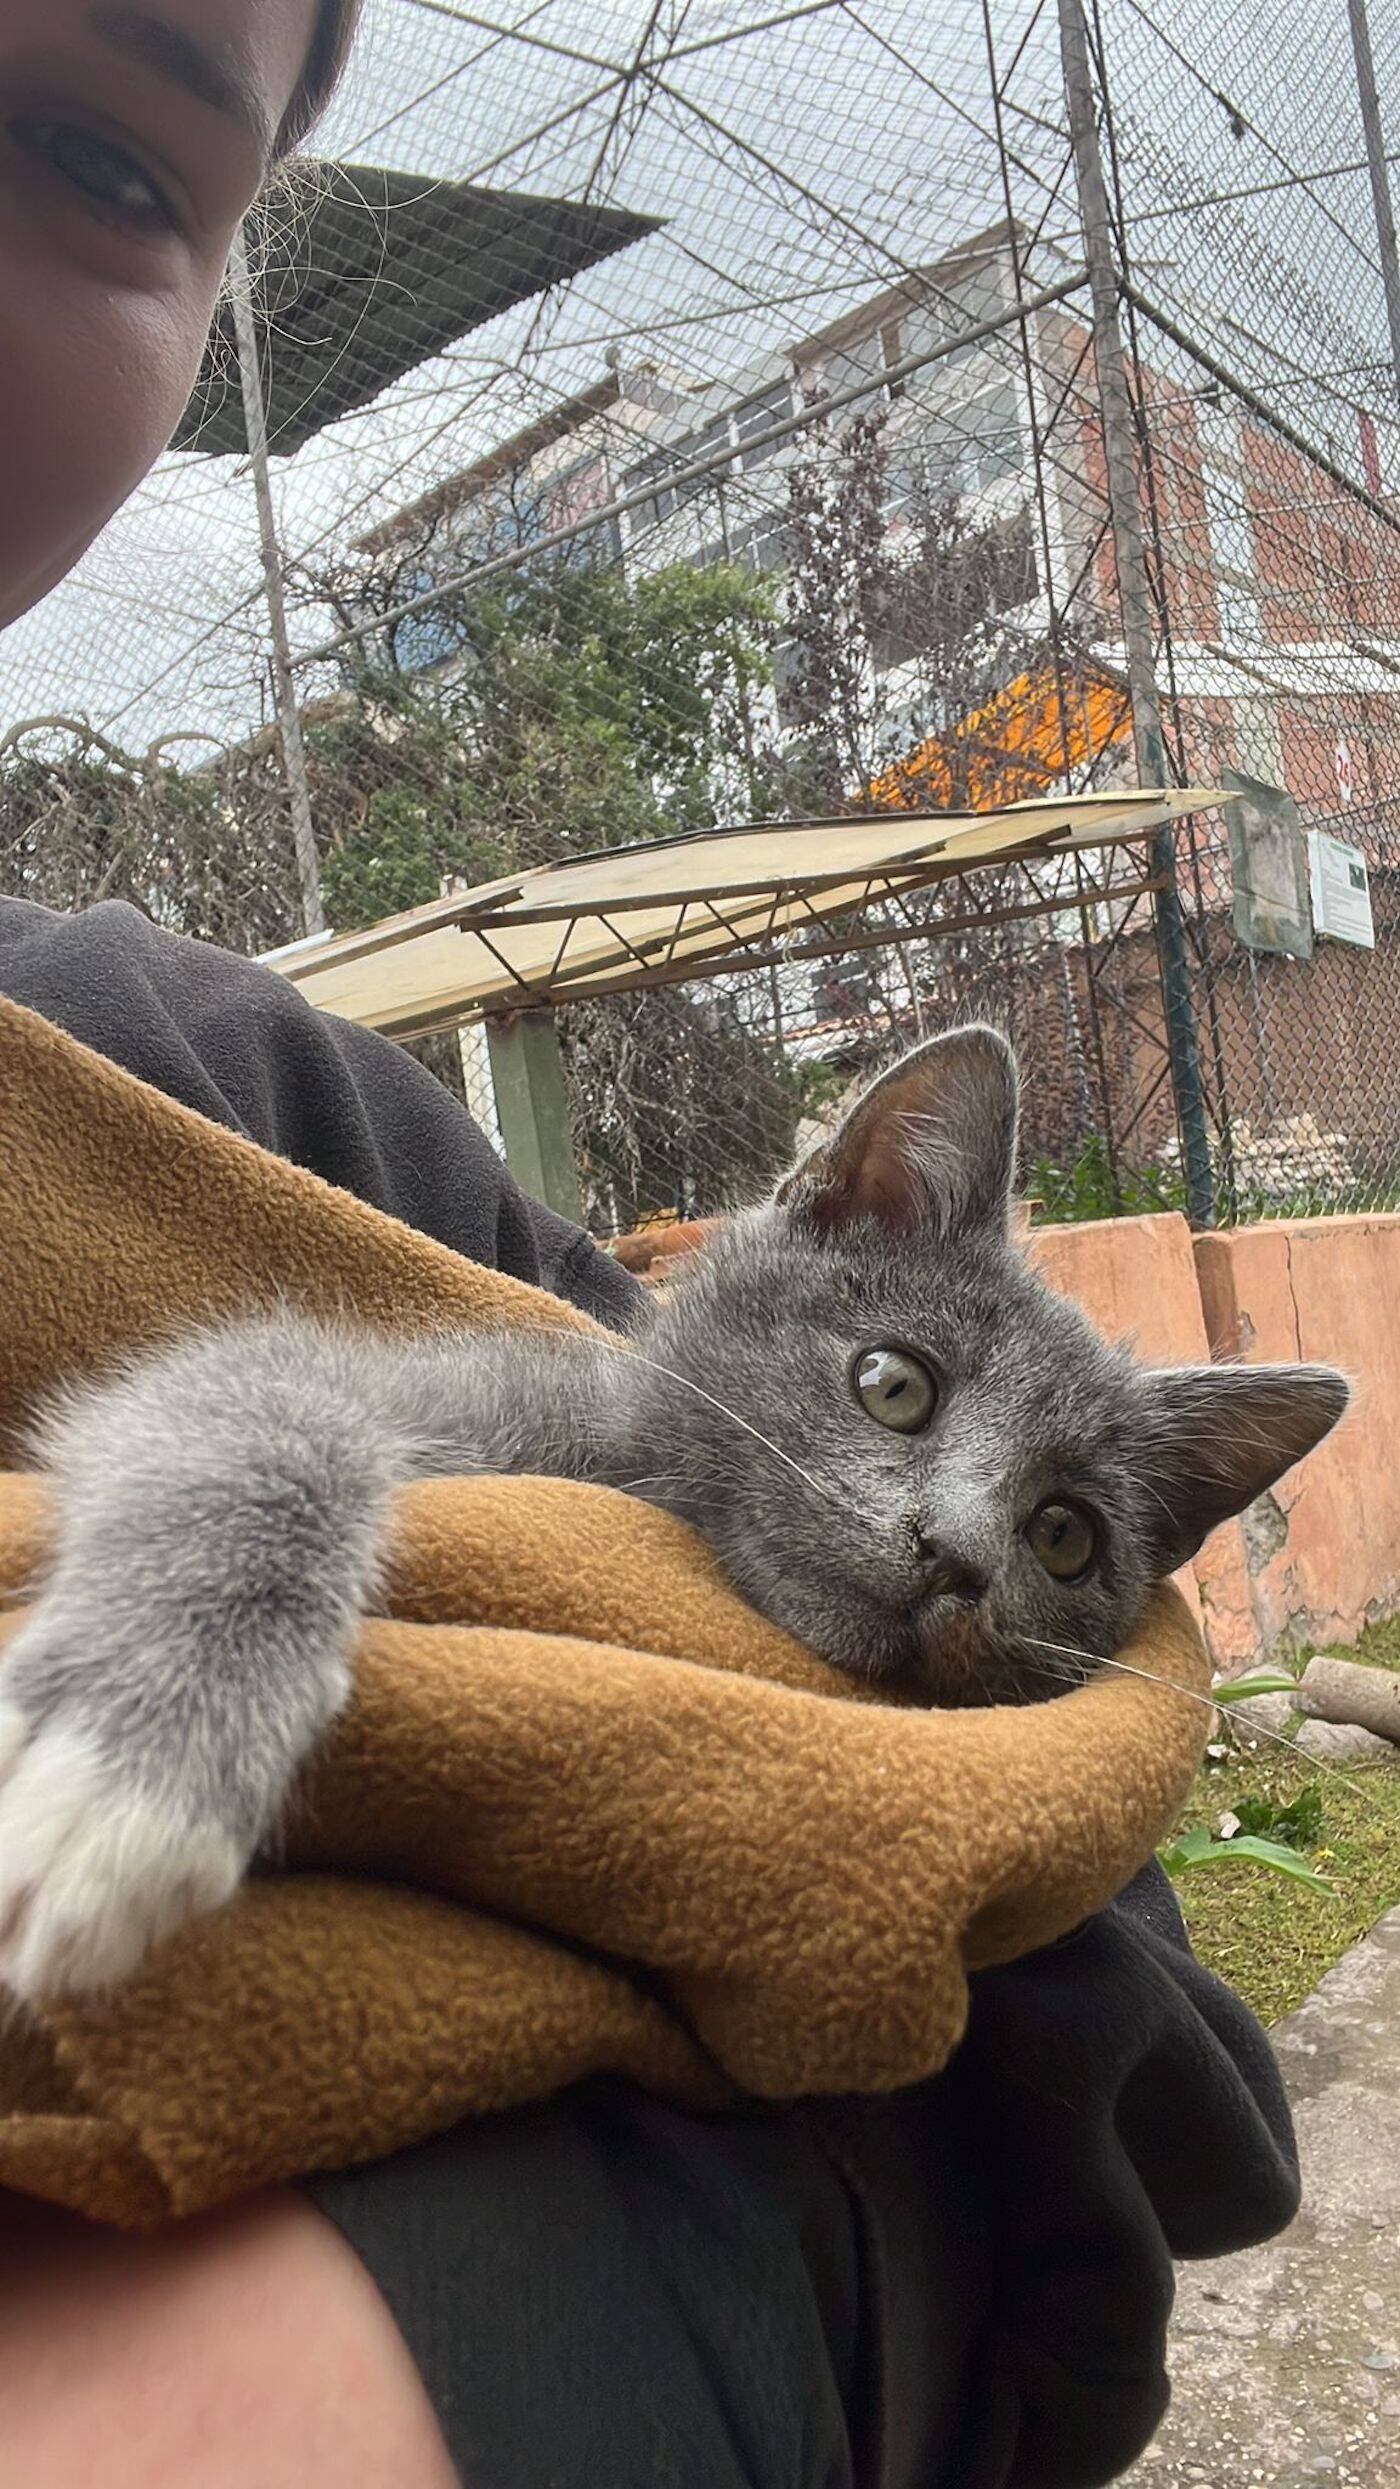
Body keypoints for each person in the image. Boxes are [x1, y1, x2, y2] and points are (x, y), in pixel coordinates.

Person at [0, 8, 1300, 2482]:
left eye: (98, 154)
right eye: (903, 1394)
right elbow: (282, 1417)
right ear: (829, 1232)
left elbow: (1168, 2107)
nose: (955, 1544)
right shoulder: (601, 1391)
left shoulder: (224, 1069)